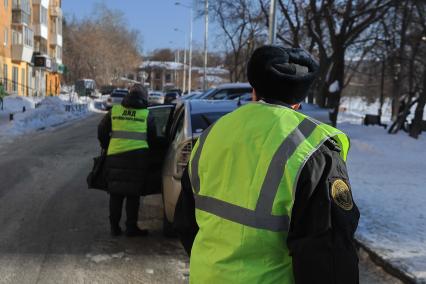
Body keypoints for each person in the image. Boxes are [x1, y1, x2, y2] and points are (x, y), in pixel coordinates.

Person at [174, 45, 360, 283]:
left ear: (253, 89)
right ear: (299, 99)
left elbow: (185, 222)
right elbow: (328, 255)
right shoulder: (312, 147)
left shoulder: (212, 134)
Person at [98, 84, 155, 237]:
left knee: (116, 194)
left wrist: (107, 144)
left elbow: (101, 130)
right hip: (138, 158)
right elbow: (153, 137)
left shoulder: (115, 111)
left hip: (115, 156)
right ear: (144, 97)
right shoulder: (146, 114)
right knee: (133, 195)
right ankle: (131, 227)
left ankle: (114, 228)